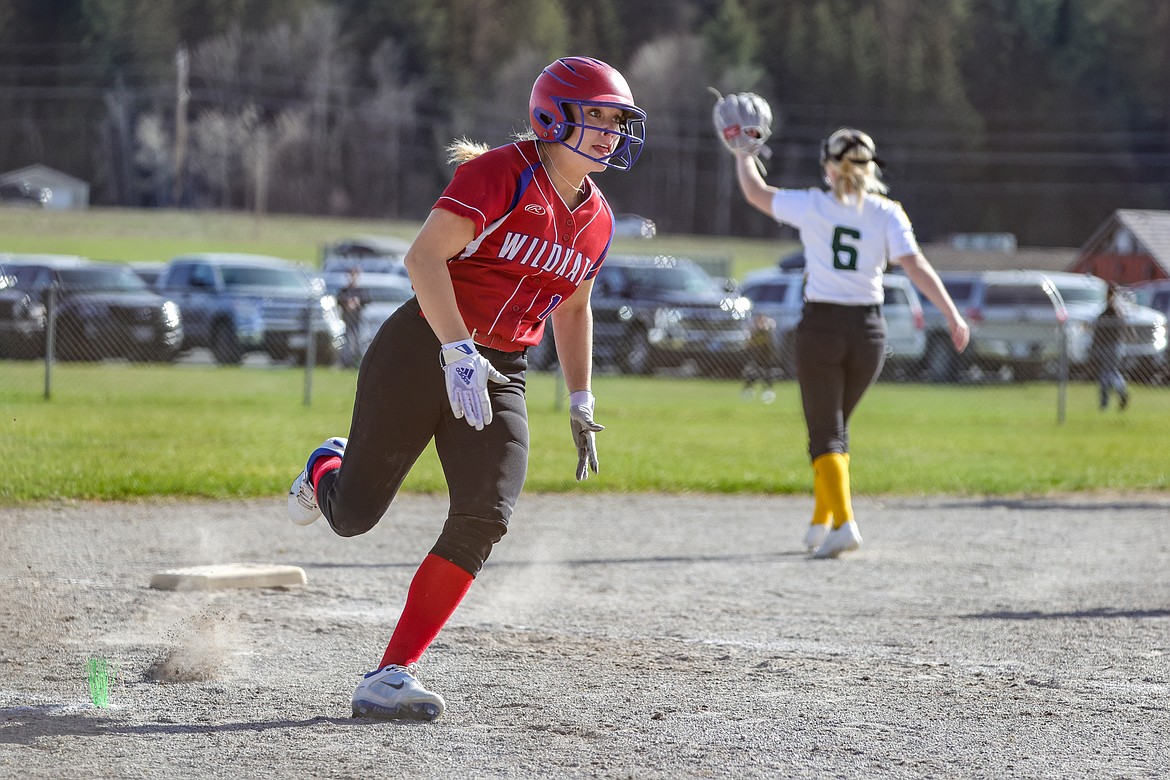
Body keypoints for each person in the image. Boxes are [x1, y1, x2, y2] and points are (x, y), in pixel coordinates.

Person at [286, 56, 646, 721]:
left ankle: (390, 673)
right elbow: (422, 258)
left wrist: (580, 397)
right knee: (354, 517)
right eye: (594, 115)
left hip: (502, 368)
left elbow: (572, 308)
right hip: (422, 346)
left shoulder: (599, 219)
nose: (608, 132)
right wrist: (455, 348)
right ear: (551, 115)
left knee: (487, 513)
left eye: (617, 120)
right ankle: (325, 465)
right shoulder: (500, 174)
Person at [720, 118, 969, 558]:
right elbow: (915, 265)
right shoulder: (887, 211)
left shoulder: (815, 205)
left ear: (829, 168)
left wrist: (744, 155)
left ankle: (845, 523)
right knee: (835, 430)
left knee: (825, 435)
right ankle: (822, 519)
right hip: (870, 333)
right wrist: (951, 313)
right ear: (871, 168)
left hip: (821, 329)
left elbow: (757, 194)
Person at [1091, 283, 1131, 411]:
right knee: (1112, 371)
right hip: (1113, 345)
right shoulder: (1116, 309)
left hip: (1110, 345)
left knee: (1107, 373)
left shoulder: (1114, 309)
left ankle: (1107, 400)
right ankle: (1118, 393)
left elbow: (1116, 324)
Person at [336, 266, 367, 367]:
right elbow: (338, 300)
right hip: (347, 319)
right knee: (347, 341)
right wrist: (347, 303)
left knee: (358, 340)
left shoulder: (360, 290)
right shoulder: (344, 290)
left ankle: (358, 362)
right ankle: (345, 363)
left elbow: (366, 300)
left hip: (357, 319)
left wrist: (357, 302)